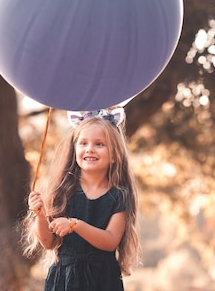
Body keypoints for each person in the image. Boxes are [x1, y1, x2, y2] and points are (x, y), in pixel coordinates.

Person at [22, 108, 141, 291]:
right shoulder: (62, 192)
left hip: (102, 280)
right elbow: (49, 242)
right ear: (74, 149)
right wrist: (40, 215)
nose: (89, 149)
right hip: (64, 280)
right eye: (83, 143)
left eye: (99, 144)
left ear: (115, 154)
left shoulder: (119, 196)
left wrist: (74, 225)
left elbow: (110, 241)